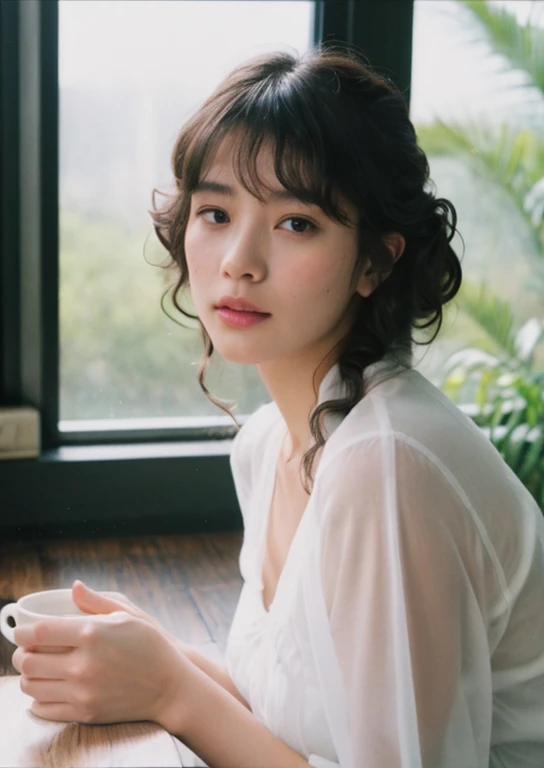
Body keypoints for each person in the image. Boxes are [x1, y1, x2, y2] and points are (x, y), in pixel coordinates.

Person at [11, 44, 544, 768]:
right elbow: (303, 719)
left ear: (375, 262)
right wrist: (160, 651)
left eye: (297, 222)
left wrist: (172, 688)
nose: (239, 260)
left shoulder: (387, 461)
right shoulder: (268, 443)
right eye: (215, 211)